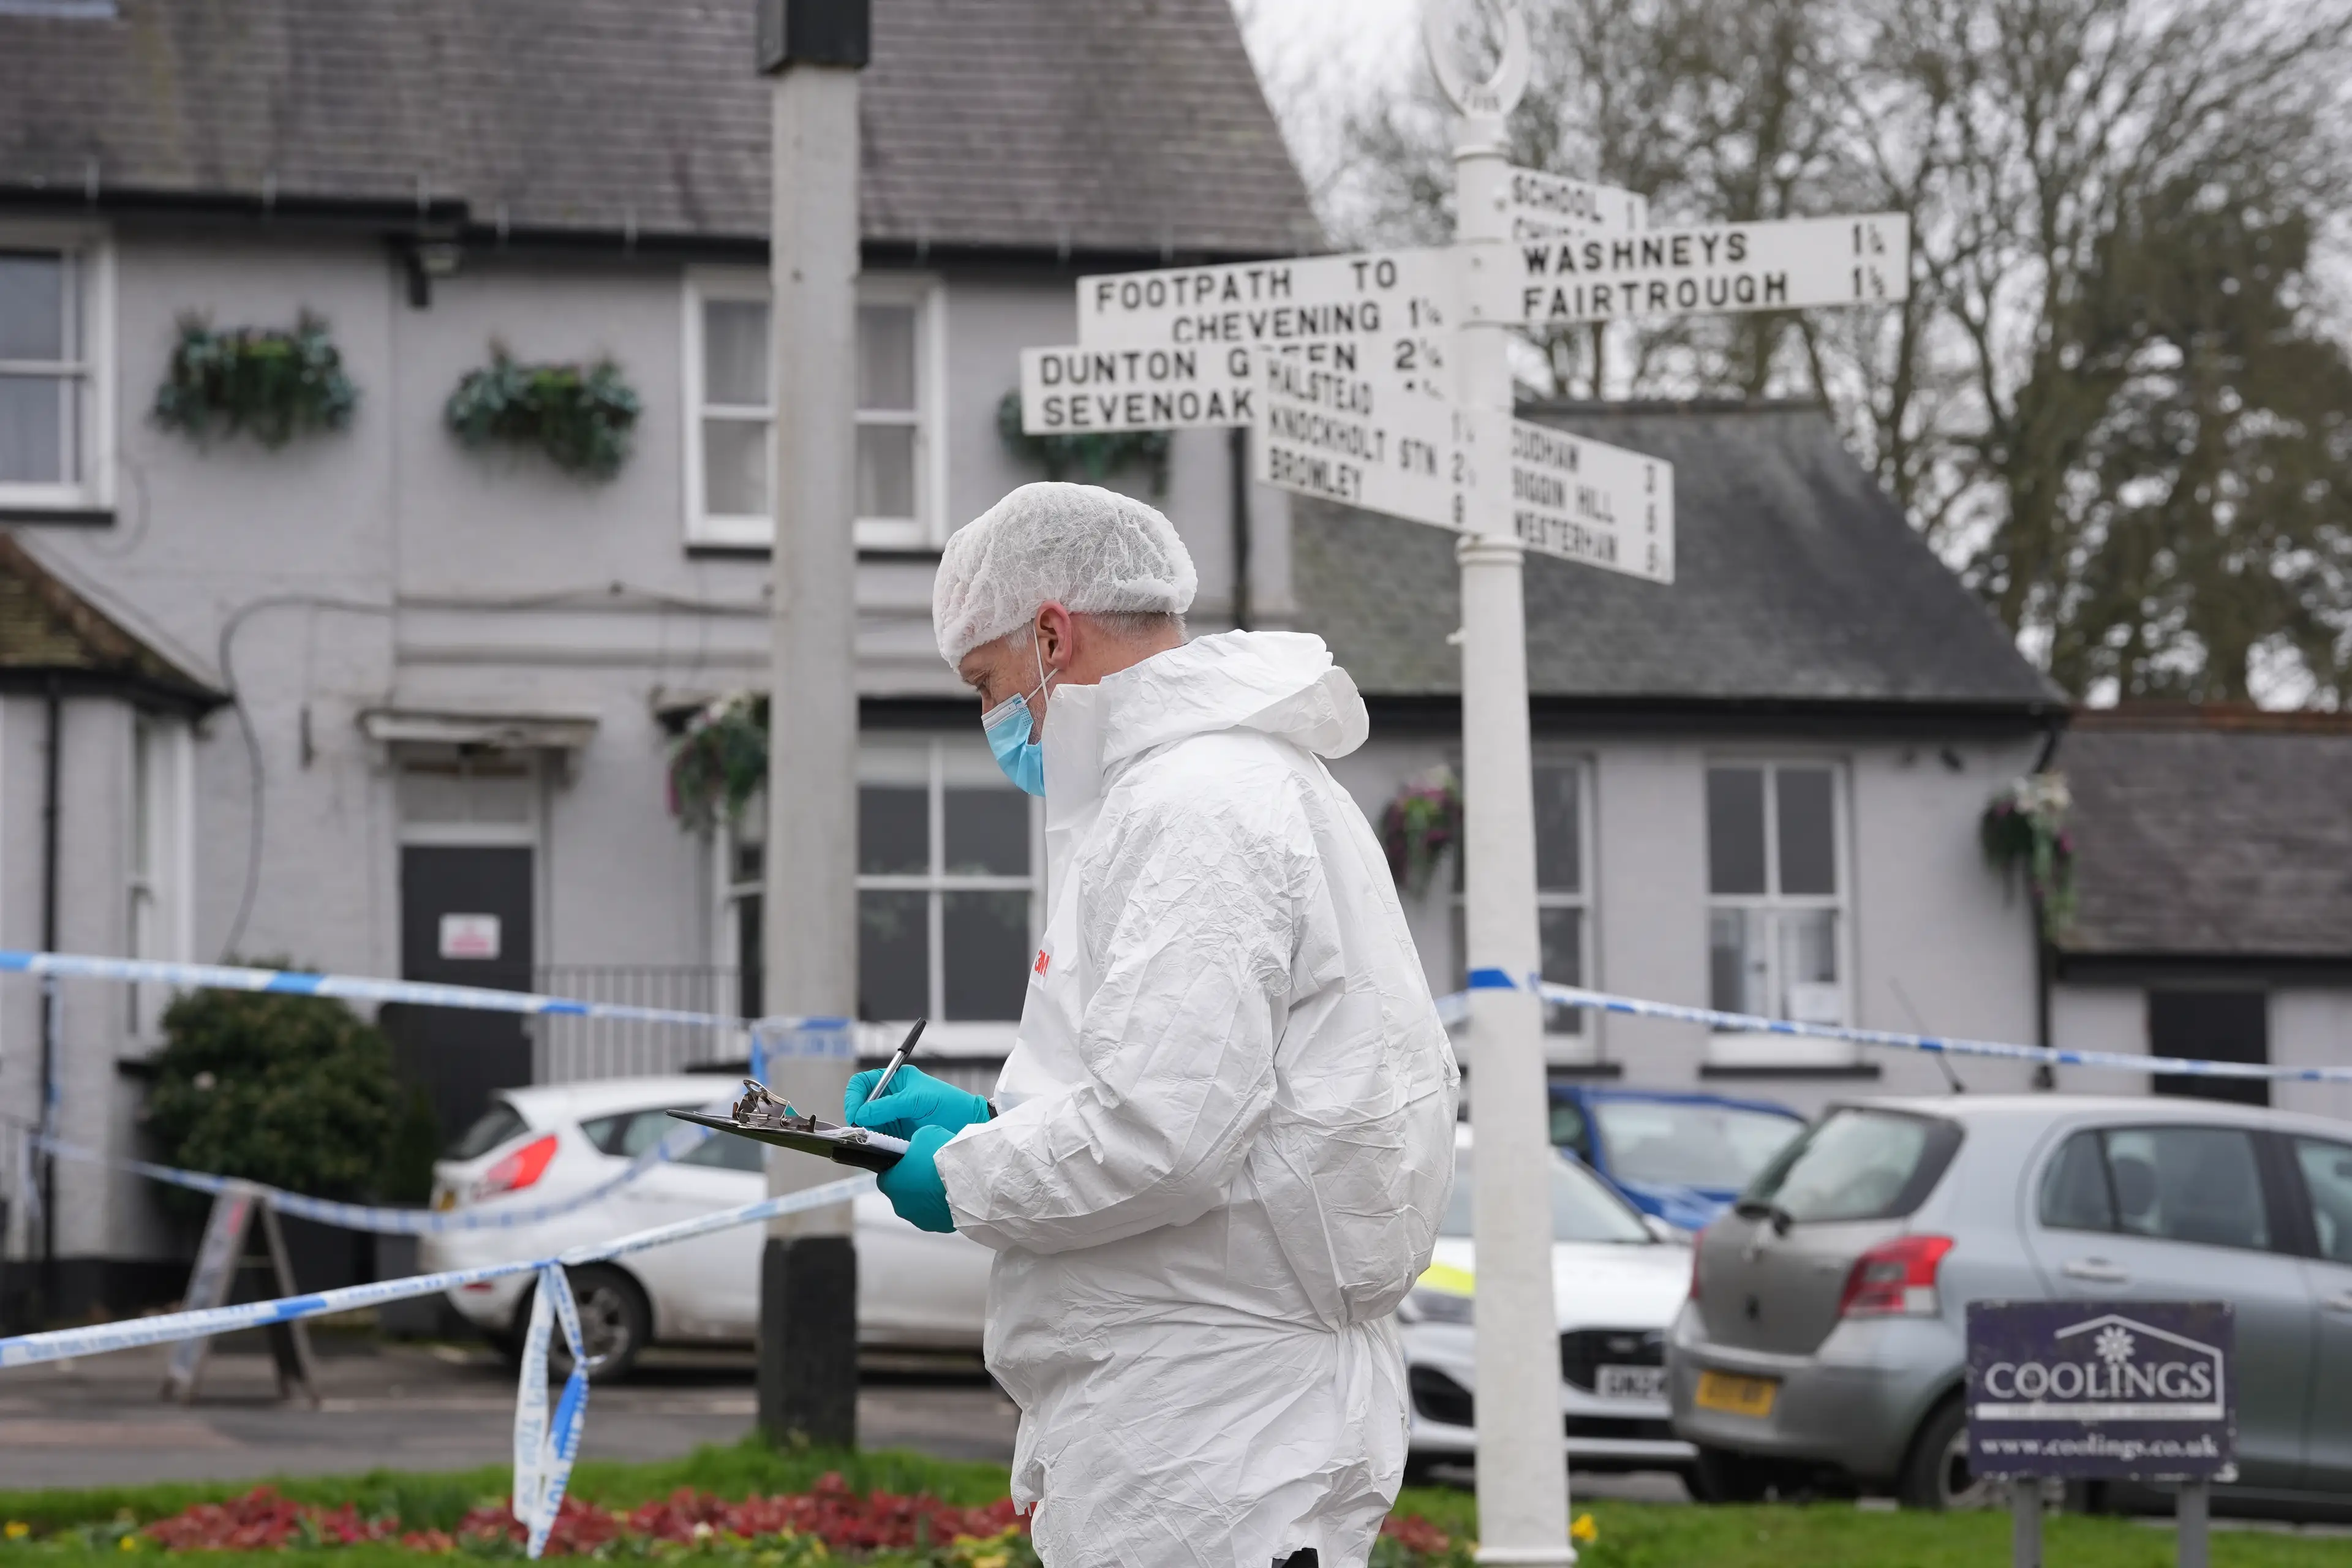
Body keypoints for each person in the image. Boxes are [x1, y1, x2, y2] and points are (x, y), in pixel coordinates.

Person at [843, 482, 1458, 1568]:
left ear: (1049, 634)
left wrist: (969, 1176)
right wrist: (987, 1121)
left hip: (1206, 1426)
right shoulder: (1221, 787)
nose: (992, 718)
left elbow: (1163, 1136)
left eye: (987, 685)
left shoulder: (1194, 806)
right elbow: (1212, 1100)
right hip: (1218, 1397)